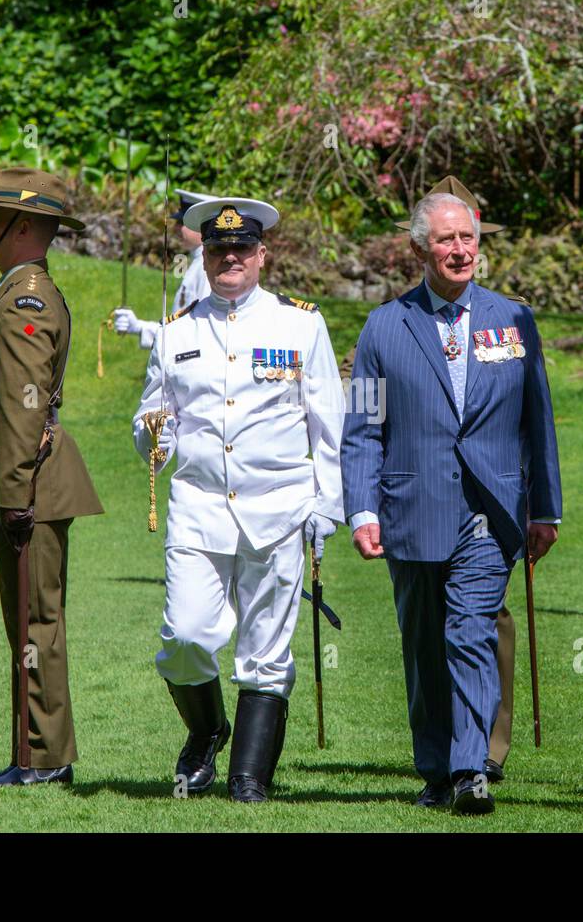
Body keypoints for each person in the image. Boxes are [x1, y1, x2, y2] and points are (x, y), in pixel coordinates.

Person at [341, 191, 562, 815]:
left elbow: (536, 420)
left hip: (490, 513)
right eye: (446, 240)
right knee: (423, 644)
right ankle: (435, 769)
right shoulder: (384, 326)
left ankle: (471, 770)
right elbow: (363, 430)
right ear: (419, 250)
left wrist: (544, 508)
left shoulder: (514, 320)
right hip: (412, 508)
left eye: (468, 238)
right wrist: (362, 510)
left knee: (470, 632)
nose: (460, 250)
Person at [132, 197, 344, 802]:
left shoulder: (300, 323)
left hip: (278, 506)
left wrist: (327, 505)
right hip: (199, 507)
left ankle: (250, 777)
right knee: (186, 637)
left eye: (241, 248)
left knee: (266, 650)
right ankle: (207, 731)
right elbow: (150, 416)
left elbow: (329, 423)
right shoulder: (177, 331)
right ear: (204, 255)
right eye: (218, 248)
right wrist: (151, 433)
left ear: (261, 254)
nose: (230, 258)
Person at [0, 168, 104, 786]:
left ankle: (42, 760)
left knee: (34, 622)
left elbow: (23, 403)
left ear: (21, 227)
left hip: (31, 486)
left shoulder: (26, 299)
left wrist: (14, 496)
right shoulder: (18, 290)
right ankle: (35, 754)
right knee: (28, 621)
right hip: (25, 482)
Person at [113, 188, 217, 349]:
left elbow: (199, 331)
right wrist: (141, 327)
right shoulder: (198, 262)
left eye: (182, 223)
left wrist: (141, 328)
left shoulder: (206, 270)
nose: (176, 228)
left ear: (202, 227)